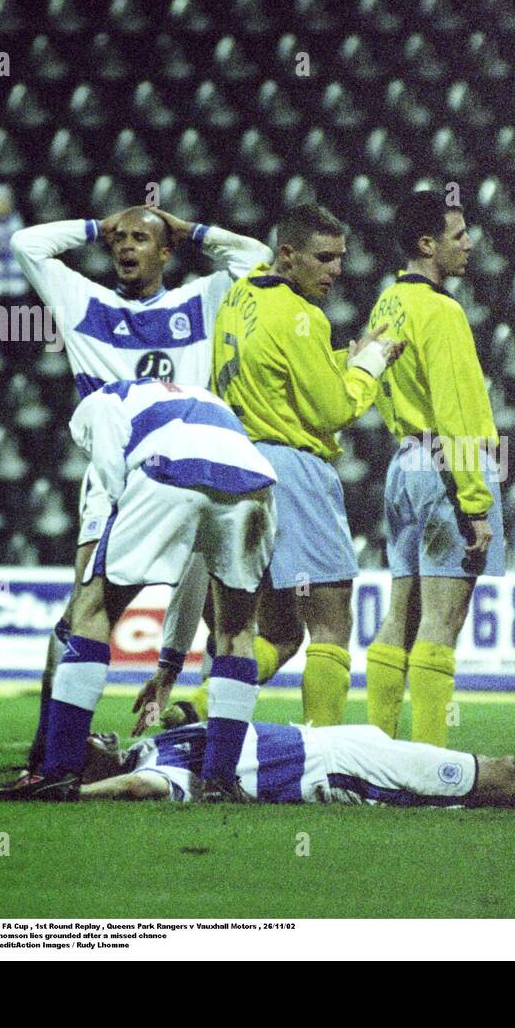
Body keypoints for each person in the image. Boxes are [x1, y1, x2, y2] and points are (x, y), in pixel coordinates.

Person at [0, 208, 271, 795]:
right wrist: (98, 224)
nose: (125, 246)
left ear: (165, 250)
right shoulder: (83, 300)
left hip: (168, 455)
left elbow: (254, 259)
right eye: (118, 240)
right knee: (86, 615)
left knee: (100, 610)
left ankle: (59, 766)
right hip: (154, 459)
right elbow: (27, 244)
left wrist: (188, 228)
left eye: (140, 238)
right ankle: (54, 749)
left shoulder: (200, 301)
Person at [0, 378, 277, 802]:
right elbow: (195, 569)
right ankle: (219, 782)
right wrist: (170, 664)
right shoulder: (202, 399)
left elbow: (110, 482)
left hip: (167, 471)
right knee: (238, 633)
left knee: (91, 612)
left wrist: (117, 528)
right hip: (254, 482)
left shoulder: (100, 401)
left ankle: (59, 771)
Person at [209, 204, 405, 727]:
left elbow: (286, 373)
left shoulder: (241, 295)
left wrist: (345, 358)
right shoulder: (303, 317)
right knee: (331, 620)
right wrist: (372, 362)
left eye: (341, 258)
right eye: (323, 258)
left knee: (277, 633)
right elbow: (334, 410)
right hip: (292, 468)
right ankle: (325, 750)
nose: (336, 270)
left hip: (236, 466)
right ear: (288, 254)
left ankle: (201, 707)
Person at [363, 190, 503, 747]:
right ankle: (425, 761)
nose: (469, 244)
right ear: (427, 245)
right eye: (458, 235)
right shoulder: (441, 310)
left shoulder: (386, 303)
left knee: (401, 614)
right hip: (448, 465)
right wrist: (475, 503)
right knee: (441, 624)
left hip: (405, 464)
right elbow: (459, 410)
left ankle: (374, 748)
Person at [75, 721, 515, 811]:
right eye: (85, 742)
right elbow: (135, 788)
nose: (94, 731)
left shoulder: (158, 739)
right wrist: (73, 795)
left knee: (496, 771)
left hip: (344, 740)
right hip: (343, 770)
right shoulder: (164, 771)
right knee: (501, 774)